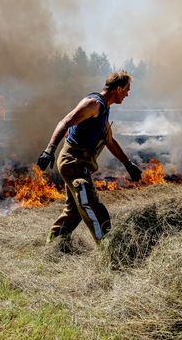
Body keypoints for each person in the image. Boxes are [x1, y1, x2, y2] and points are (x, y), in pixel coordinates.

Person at [38, 70, 142, 244]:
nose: (127, 94)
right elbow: (64, 122)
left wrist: (128, 164)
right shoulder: (93, 104)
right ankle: (108, 248)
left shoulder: (104, 110)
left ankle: (54, 243)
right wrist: (50, 149)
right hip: (73, 163)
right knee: (90, 204)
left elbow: (109, 140)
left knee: (74, 210)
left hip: (80, 164)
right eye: (127, 89)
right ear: (118, 88)